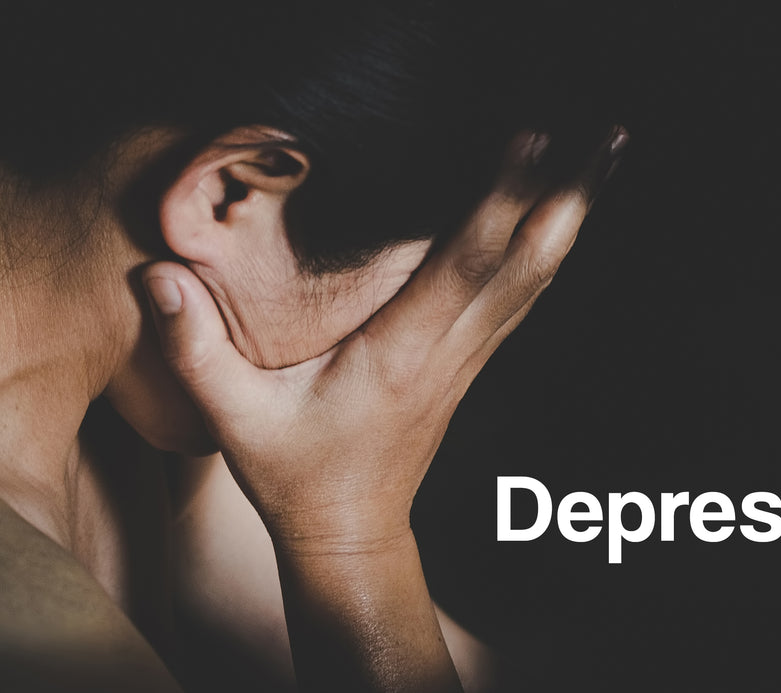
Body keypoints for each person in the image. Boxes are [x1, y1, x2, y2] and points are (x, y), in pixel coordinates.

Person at [0, 3, 627, 691]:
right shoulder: (31, 631)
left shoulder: (141, 427)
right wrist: (353, 540)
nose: (411, 362)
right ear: (229, 193)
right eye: (422, 293)